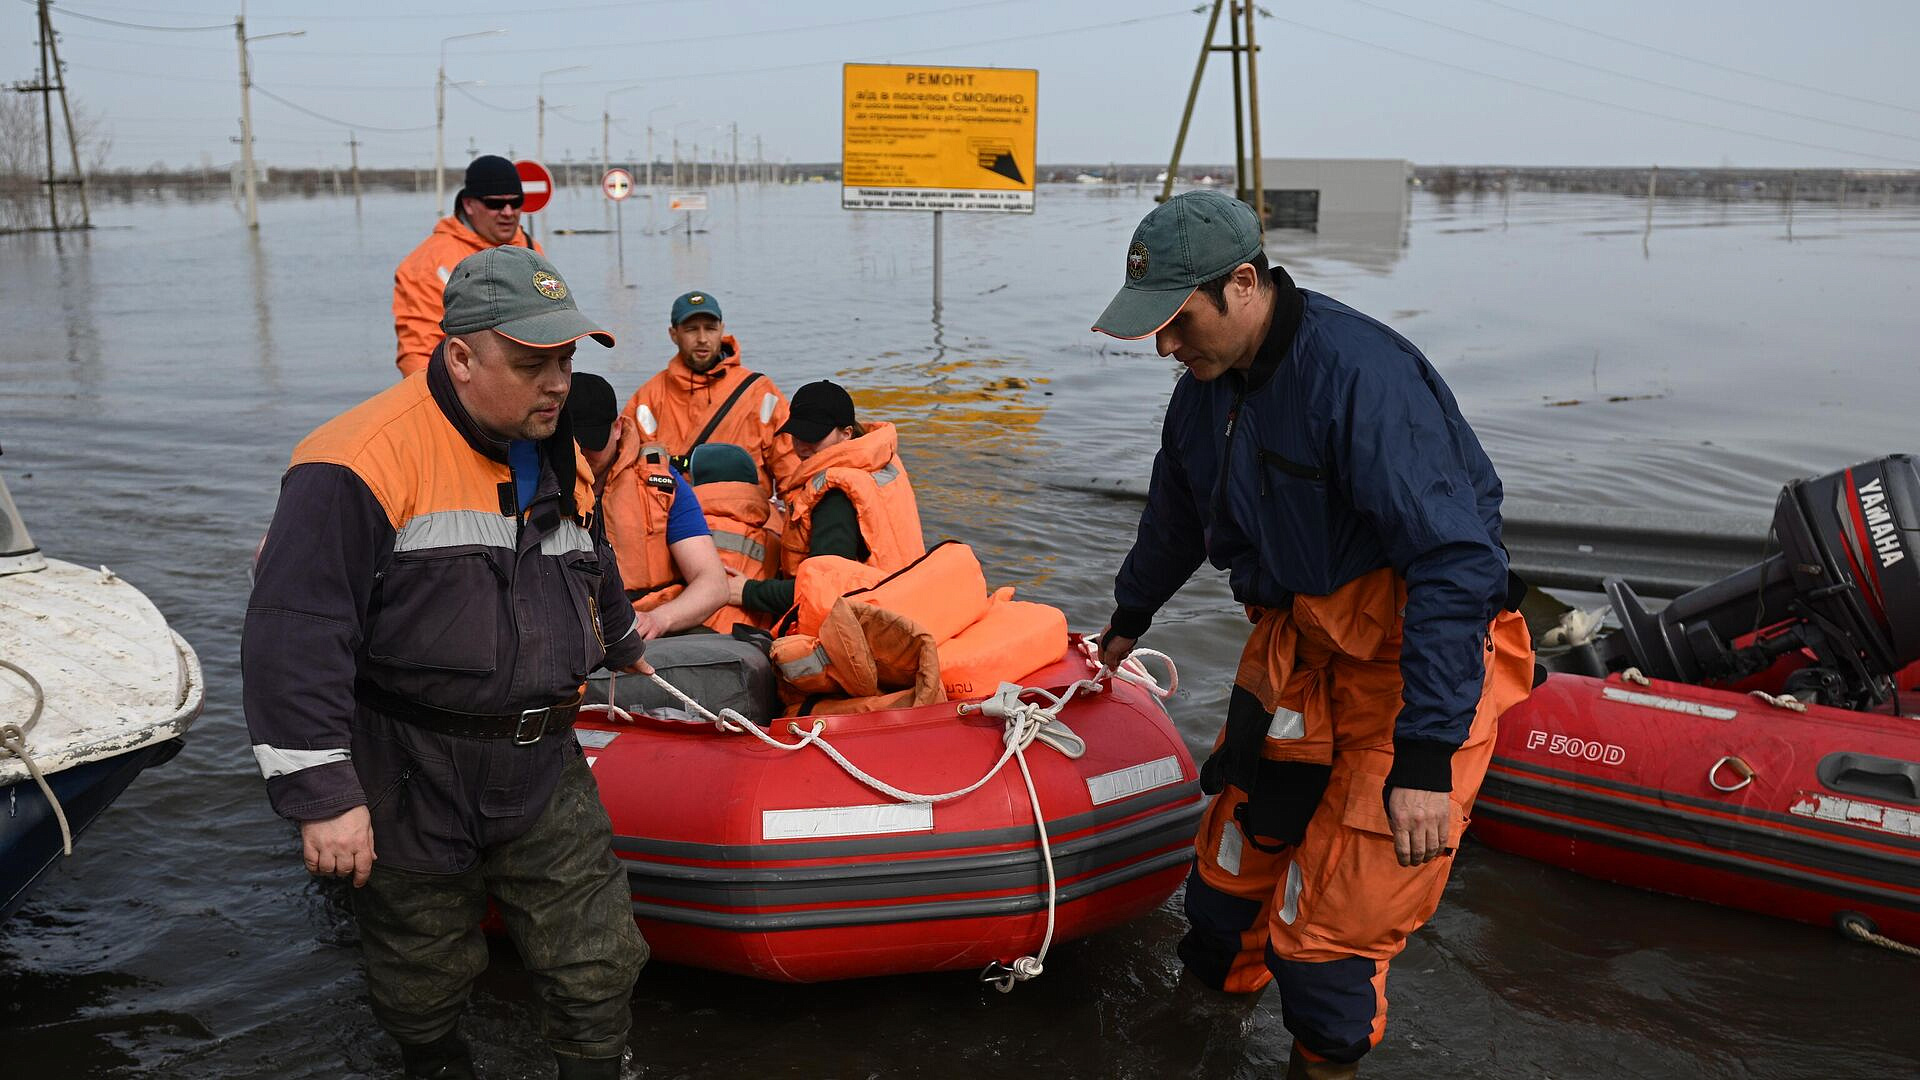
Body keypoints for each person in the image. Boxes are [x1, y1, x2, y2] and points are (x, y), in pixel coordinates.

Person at [1090, 191, 1534, 1079]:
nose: (1165, 346)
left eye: (1177, 321)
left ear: (1243, 284)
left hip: (1411, 673)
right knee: (1220, 898)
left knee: (1326, 949)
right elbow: (1175, 522)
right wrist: (1125, 621)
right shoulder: (1203, 397)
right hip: (1298, 659)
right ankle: (1200, 1044)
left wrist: (1423, 761)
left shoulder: (1362, 377)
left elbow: (1455, 563)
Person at [245, 245, 650, 1080]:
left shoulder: (554, 445)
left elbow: (588, 555)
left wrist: (623, 638)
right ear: (460, 356)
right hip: (409, 764)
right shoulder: (353, 463)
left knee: (599, 957)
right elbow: (293, 636)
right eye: (534, 361)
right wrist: (324, 796)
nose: (558, 382)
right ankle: (435, 1063)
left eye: (568, 360)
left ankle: (598, 1066)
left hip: (540, 758)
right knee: (419, 974)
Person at [732, 380, 923, 619]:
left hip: (871, 617)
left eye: (813, 436)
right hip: (903, 597)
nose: (802, 446)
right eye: (797, 435)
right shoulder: (880, 463)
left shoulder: (835, 497)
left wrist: (747, 592)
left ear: (846, 434)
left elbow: (824, 590)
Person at [572, 370, 730, 636]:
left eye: (592, 442)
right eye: (572, 442)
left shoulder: (661, 483)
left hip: (651, 624)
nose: (582, 453)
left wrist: (659, 619)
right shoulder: (530, 484)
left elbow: (714, 584)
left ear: (618, 427)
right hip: (574, 629)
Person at [620, 290, 797, 491]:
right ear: (673, 334)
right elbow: (628, 472)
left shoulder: (760, 392)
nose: (702, 338)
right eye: (691, 329)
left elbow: (790, 469)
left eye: (710, 328)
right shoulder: (648, 399)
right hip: (678, 515)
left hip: (748, 516)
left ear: (722, 330)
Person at [392, 155, 541, 378]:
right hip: (466, 390)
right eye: (495, 203)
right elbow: (418, 353)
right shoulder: (427, 263)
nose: (508, 212)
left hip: (530, 383)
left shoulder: (531, 249)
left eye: (516, 202)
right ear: (469, 204)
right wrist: (444, 408)